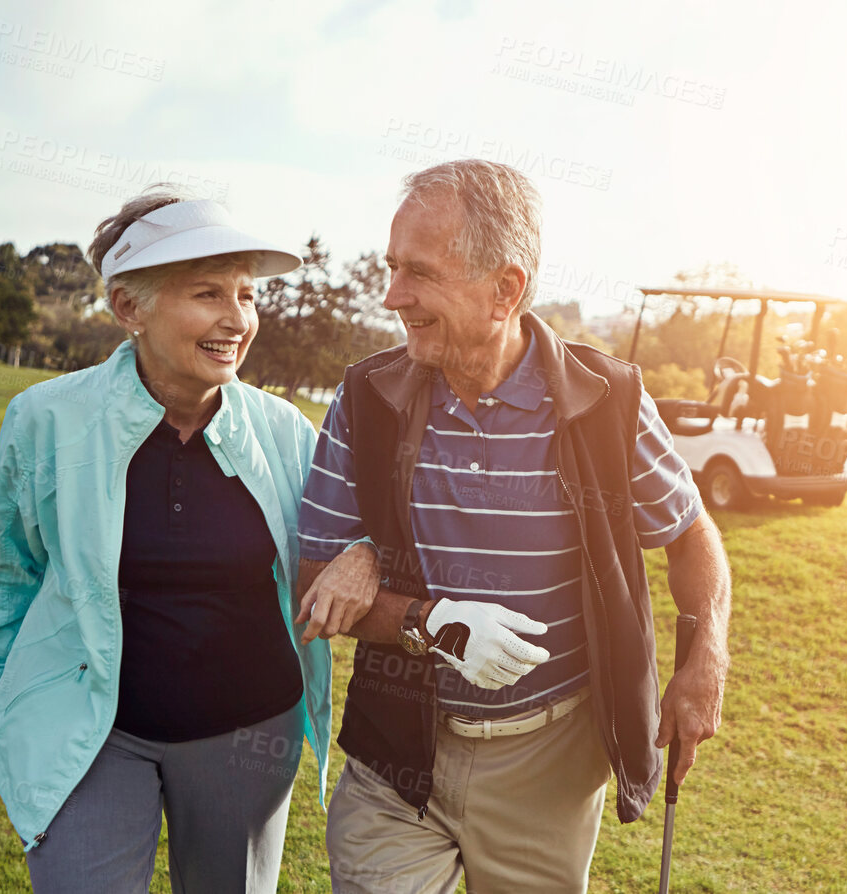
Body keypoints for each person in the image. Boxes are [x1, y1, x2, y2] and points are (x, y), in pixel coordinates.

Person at [289, 159, 734, 893]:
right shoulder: (366, 396)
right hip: (397, 754)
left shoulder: (607, 400)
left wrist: (706, 655)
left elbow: (689, 533)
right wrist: (431, 620)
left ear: (505, 289)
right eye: (392, 267)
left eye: (420, 274)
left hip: (548, 767)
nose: (393, 296)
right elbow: (314, 586)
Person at [0, 186, 377, 892]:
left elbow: (352, 536)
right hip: (93, 732)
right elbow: (5, 573)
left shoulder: (284, 430)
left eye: (246, 295)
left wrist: (363, 554)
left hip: (246, 734)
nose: (236, 319)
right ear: (127, 308)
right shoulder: (45, 420)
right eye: (208, 294)